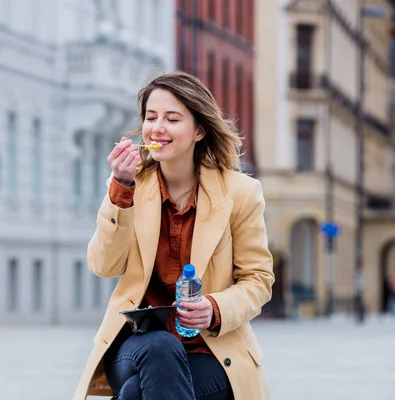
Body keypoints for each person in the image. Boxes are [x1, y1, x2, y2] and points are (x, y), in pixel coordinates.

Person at [72, 71, 274, 400]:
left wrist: (215, 307)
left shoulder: (241, 193)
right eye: (151, 117)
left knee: (138, 393)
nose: (157, 128)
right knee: (160, 348)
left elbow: (258, 279)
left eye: (172, 118)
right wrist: (120, 191)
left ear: (199, 130)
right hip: (137, 345)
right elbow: (104, 265)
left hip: (210, 351)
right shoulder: (129, 183)